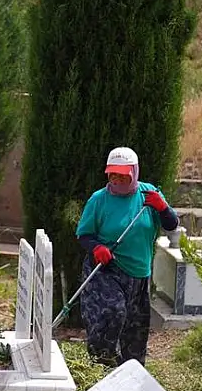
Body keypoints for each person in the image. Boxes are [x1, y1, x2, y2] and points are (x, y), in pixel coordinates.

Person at [75, 146, 179, 367]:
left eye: (123, 175)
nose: (118, 179)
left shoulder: (148, 195)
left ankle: (131, 372)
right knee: (112, 312)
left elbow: (171, 224)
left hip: (140, 274)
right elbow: (84, 234)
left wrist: (162, 208)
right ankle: (101, 365)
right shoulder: (99, 200)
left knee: (136, 327)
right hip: (108, 270)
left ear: (134, 173)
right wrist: (96, 248)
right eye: (113, 174)